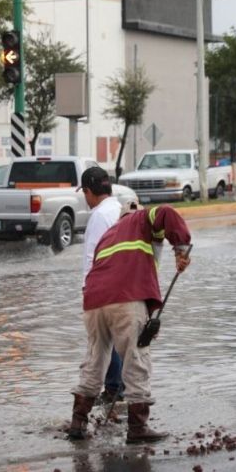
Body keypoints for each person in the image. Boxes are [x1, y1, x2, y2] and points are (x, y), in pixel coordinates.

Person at [67, 203, 192, 443]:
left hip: (94, 301)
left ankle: (78, 423)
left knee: (95, 359)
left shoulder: (109, 234)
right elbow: (166, 212)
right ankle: (137, 428)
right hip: (125, 297)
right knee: (136, 358)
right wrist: (181, 250)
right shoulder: (142, 219)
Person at [78, 167, 126, 405]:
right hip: (123, 284)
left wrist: (87, 288)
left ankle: (113, 389)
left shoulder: (98, 215)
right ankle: (118, 388)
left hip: (104, 286)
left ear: (89, 191)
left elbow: (92, 255)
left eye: (84, 193)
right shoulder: (120, 210)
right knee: (119, 339)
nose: (85, 199)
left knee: (103, 341)